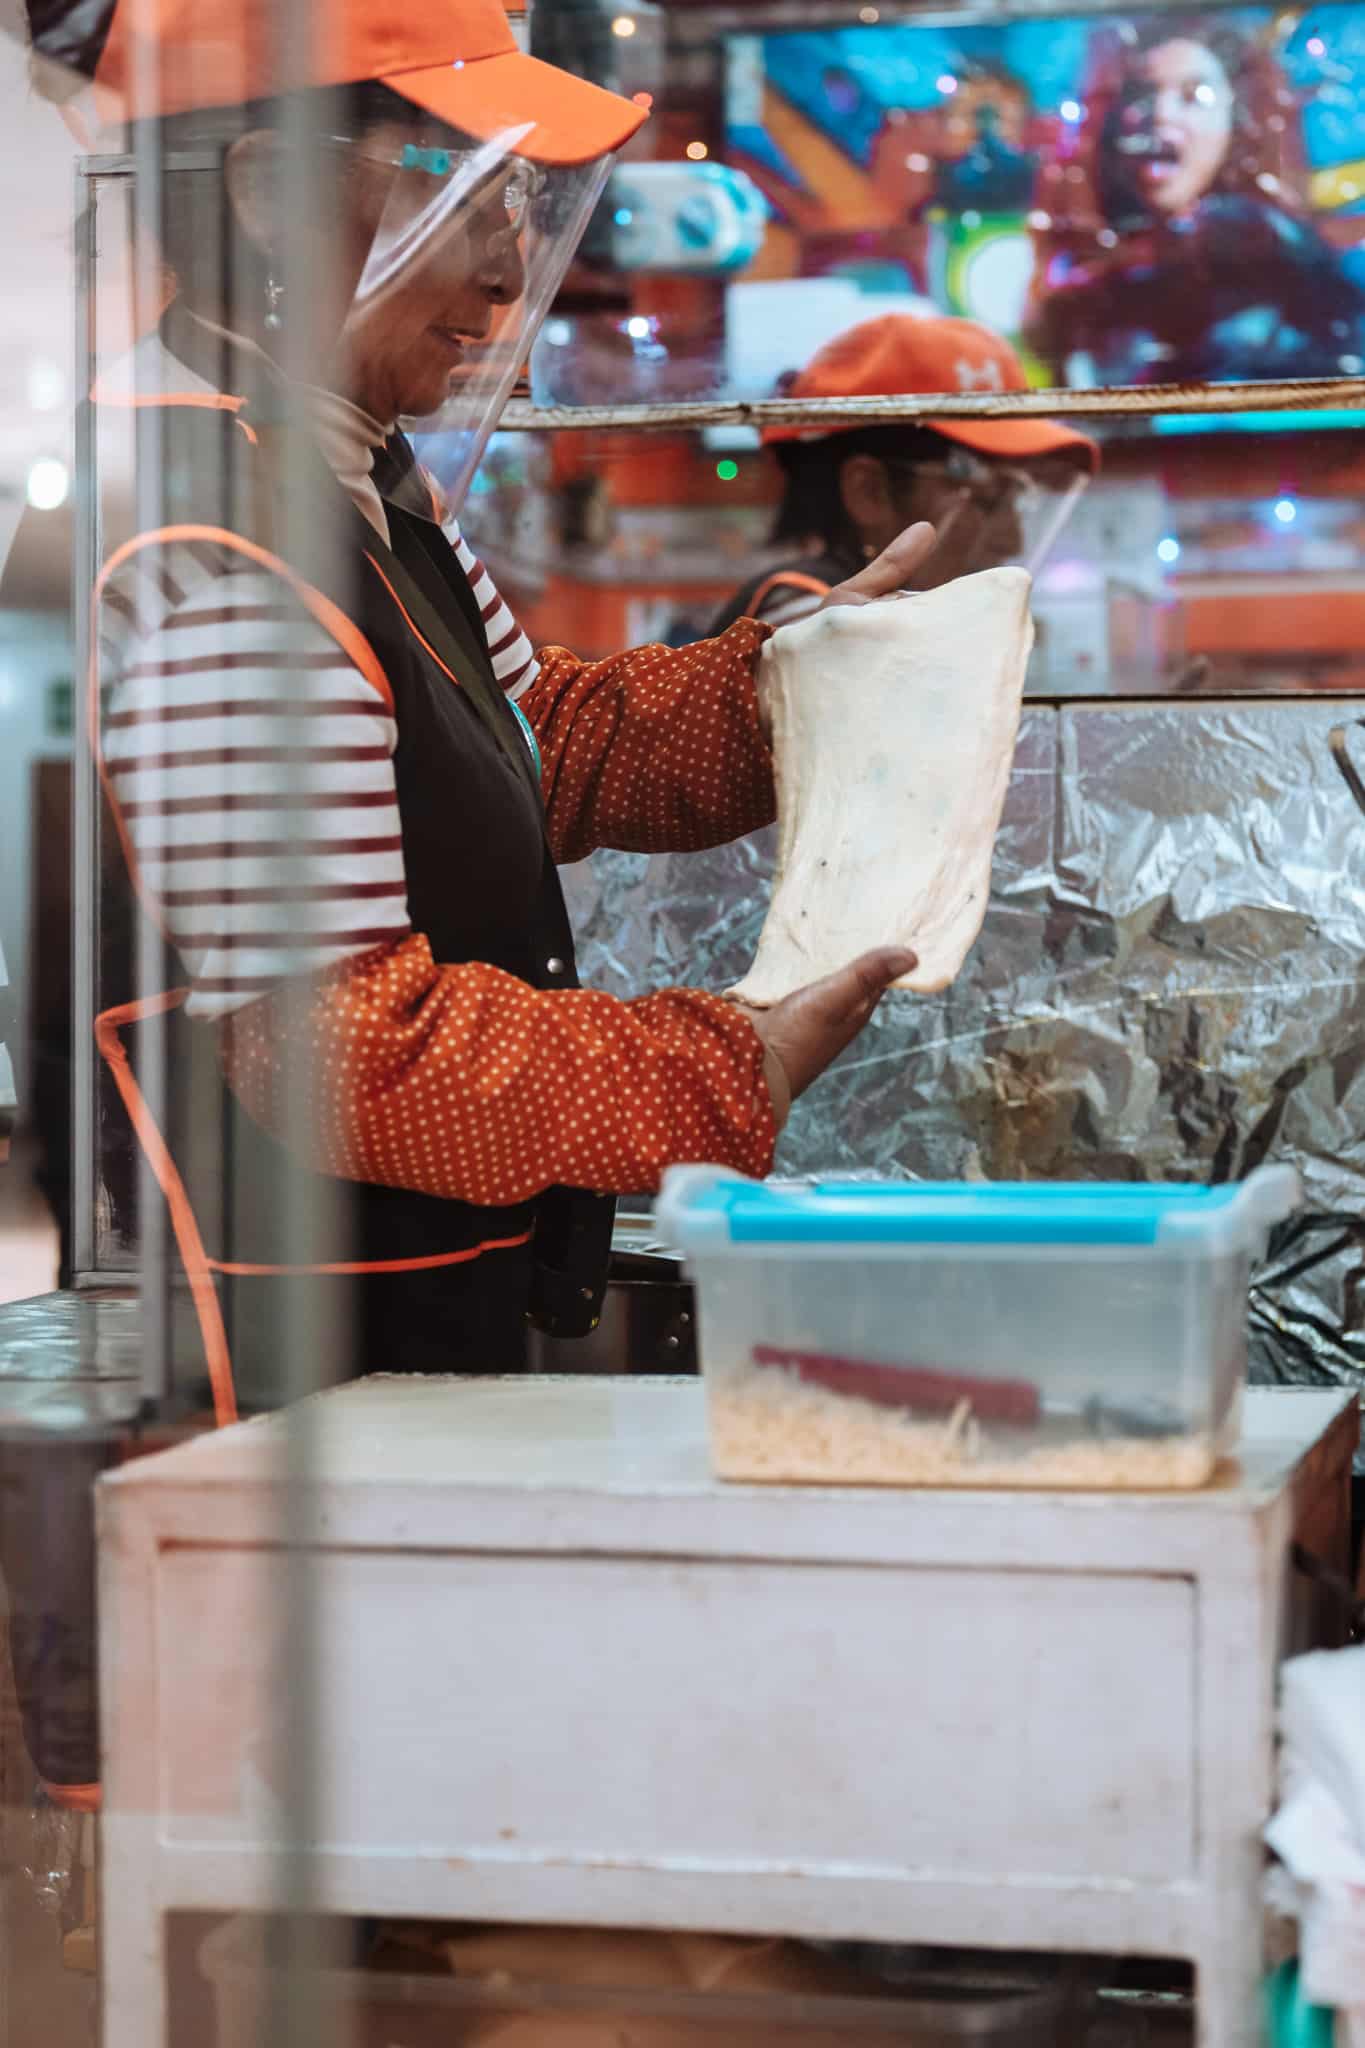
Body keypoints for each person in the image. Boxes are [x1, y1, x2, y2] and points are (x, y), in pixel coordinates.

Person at [1027, 18, 1365, 385]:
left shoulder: (1269, 252)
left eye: (1193, 97)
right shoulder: (1082, 267)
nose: (1160, 115)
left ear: (1236, 122)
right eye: (1141, 94)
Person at [711, 312, 1095, 635]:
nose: (1012, 540)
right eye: (988, 499)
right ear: (869, 492)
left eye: (1018, 502)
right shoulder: (810, 621)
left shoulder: (906, 624)